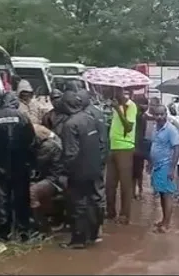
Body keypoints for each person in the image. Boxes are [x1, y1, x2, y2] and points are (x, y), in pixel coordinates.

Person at [0, 92, 36, 242]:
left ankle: (3, 232)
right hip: (21, 165)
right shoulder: (23, 117)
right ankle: (23, 232)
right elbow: (32, 143)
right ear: (15, 103)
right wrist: (32, 165)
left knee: (3, 197)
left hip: (0, 165)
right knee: (21, 197)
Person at [59, 91, 103, 249]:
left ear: (66, 105)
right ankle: (93, 234)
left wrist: (64, 172)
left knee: (78, 204)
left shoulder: (70, 124)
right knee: (93, 201)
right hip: (94, 167)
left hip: (79, 170)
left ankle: (78, 240)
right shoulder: (89, 118)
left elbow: (71, 153)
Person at [77, 89, 107, 243]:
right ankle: (91, 229)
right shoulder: (87, 114)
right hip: (90, 162)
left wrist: (100, 161)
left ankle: (97, 229)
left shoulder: (94, 115)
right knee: (91, 196)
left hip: (94, 162)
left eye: (80, 99)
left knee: (96, 195)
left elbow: (102, 141)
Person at [105, 87, 137, 225]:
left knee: (125, 184)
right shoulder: (114, 105)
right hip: (112, 147)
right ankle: (110, 212)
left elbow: (129, 127)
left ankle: (124, 215)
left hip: (125, 148)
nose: (120, 94)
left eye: (123, 92)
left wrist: (118, 109)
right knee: (109, 184)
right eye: (118, 92)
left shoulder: (131, 106)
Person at [149, 105, 179, 233]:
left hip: (166, 166)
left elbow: (177, 149)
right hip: (157, 166)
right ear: (154, 116)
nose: (160, 117)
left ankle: (167, 224)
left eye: (162, 114)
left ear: (166, 114)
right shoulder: (155, 128)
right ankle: (163, 220)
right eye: (157, 114)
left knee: (167, 194)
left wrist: (172, 169)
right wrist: (150, 163)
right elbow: (154, 145)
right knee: (161, 193)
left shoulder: (171, 130)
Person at [29, 124, 64, 237]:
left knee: (31, 191)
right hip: (52, 176)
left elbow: (36, 164)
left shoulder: (48, 146)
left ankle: (42, 228)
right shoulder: (50, 140)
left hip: (55, 179)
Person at [132, 96, 149, 200]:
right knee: (137, 171)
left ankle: (137, 190)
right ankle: (138, 191)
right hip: (138, 147)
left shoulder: (141, 116)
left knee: (136, 171)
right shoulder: (141, 116)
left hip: (136, 147)